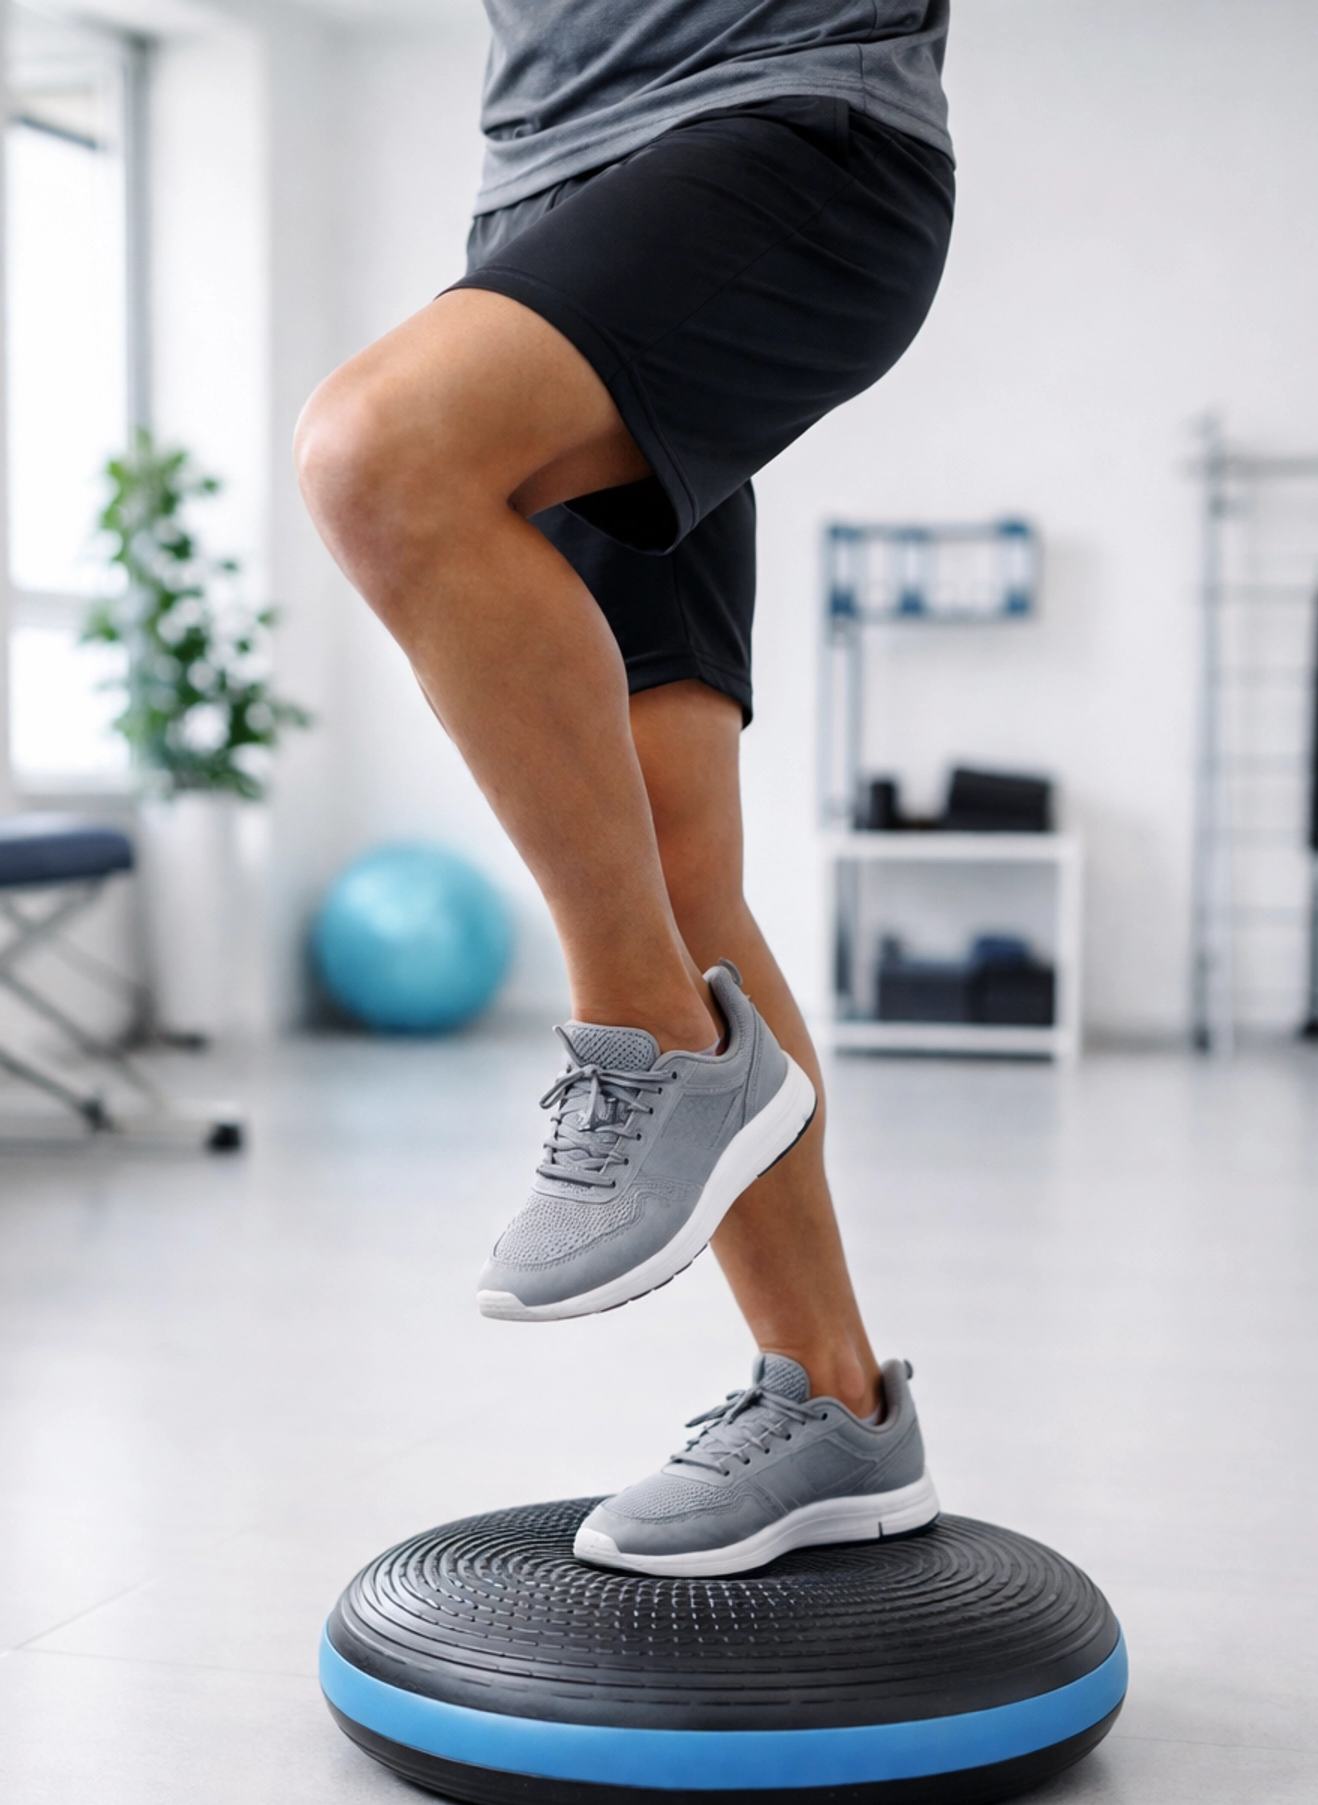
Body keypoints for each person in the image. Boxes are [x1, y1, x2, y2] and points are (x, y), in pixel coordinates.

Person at [297, 1, 955, 1578]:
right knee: (675, 857)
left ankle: (661, 1050)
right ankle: (840, 1413)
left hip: (789, 129)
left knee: (376, 456)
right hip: (544, 190)